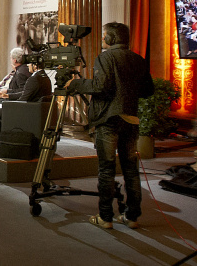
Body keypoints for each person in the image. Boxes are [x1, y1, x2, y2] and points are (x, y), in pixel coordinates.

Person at [65, 22, 154, 230]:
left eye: (104, 36)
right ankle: (132, 216)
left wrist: (75, 84)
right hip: (130, 119)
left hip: (108, 119)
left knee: (106, 169)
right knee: (131, 169)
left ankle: (105, 217)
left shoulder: (105, 58)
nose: (102, 39)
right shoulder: (138, 59)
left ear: (110, 38)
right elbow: (148, 90)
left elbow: (100, 87)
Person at [0, 60, 52, 139]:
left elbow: (23, 99)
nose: (28, 66)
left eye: (30, 64)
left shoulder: (34, 79)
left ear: (35, 65)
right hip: (35, 108)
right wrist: (8, 96)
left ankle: (2, 141)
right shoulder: (43, 76)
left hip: (27, 110)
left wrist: (8, 105)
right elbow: (26, 93)